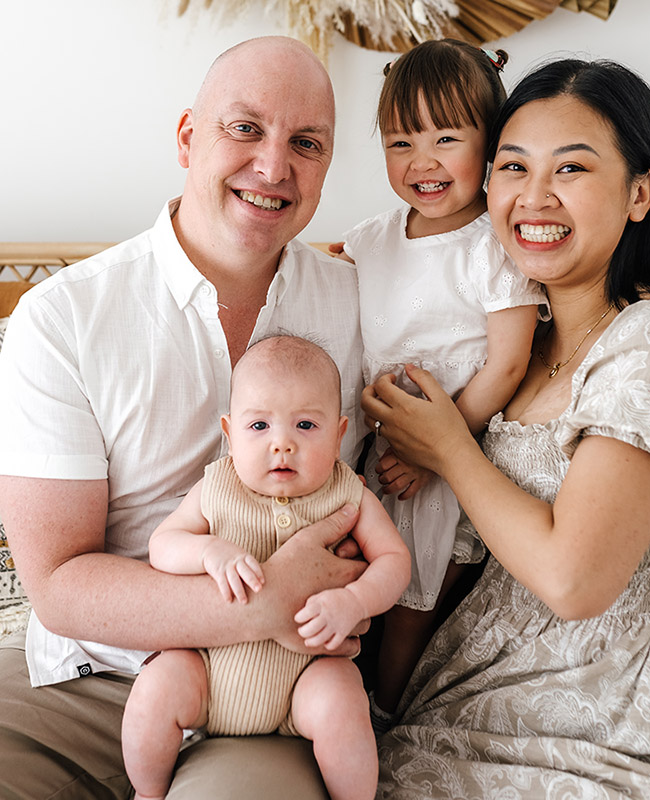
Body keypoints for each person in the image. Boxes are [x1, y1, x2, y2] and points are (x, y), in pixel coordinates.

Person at [0, 37, 371, 800]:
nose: (273, 167)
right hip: (92, 678)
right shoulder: (63, 317)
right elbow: (60, 585)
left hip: (276, 691)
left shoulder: (359, 304)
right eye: (244, 128)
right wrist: (264, 599)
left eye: (307, 144)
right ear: (186, 138)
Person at [362, 57, 650, 797]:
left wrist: (449, 447)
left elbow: (572, 580)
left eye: (571, 169)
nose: (533, 197)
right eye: (511, 167)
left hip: (610, 722)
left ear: (638, 193)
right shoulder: (507, 350)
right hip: (460, 698)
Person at [337, 39, 545, 725]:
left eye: (445, 138)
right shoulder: (369, 240)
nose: (420, 162)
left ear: (490, 143)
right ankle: (333, 697)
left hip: (445, 461)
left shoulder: (494, 244)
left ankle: (389, 714)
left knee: (410, 603)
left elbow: (508, 363)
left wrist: (432, 448)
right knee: (347, 579)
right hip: (370, 454)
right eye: (399, 143)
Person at [122, 335, 410, 800]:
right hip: (208, 676)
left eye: (305, 425)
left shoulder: (348, 495)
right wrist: (207, 552)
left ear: (339, 435)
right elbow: (163, 545)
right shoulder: (216, 487)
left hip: (305, 679)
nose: (282, 444)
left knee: (342, 700)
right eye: (259, 426)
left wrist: (354, 599)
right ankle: (148, 791)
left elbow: (394, 562)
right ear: (228, 432)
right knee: (157, 687)